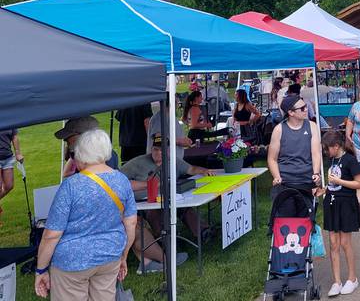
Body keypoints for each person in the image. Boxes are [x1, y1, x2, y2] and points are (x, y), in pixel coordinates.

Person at [34, 129, 136, 301]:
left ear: (80, 154)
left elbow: (51, 235)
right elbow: (131, 223)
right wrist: (123, 256)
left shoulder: (70, 186)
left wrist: (41, 270)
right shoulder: (122, 180)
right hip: (109, 255)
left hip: (71, 262)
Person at [122, 134, 214, 247]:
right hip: (145, 202)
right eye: (155, 149)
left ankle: (203, 231)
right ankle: (163, 240)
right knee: (154, 212)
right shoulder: (137, 163)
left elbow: (190, 169)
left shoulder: (173, 161)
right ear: (151, 149)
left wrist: (203, 171)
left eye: (162, 150)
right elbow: (119, 181)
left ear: (169, 150)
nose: (159, 153)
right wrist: (148, 185)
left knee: (184, 207)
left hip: (169, 197)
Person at [321, 130, 360, 297]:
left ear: (336, 146)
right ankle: (337, 281)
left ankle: (352, 278)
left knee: (345, 243)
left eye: (327, 148)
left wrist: (339, 181)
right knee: (333, 244)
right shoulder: (332, 159)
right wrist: (324, 189)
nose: (325, 152)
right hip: (332, 204)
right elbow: (333, 184)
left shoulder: (350, 160)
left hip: (346, 205)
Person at [268, 93, 322, 198]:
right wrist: (277, 177)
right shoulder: (279, 129)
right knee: (286, 213)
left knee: (306, 213)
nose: (306, 109)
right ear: (291, 112)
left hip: (307, 179)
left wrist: (316, 173)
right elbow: (272, 158)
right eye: (302, 108)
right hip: (285, 181)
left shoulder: (312, 126)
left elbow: (316, 153)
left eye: (305, 106)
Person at [0, 128, 22, 217]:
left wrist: (17, 153)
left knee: (9, 185)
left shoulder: (8, 118)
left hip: (7, 157)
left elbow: (14, 136)